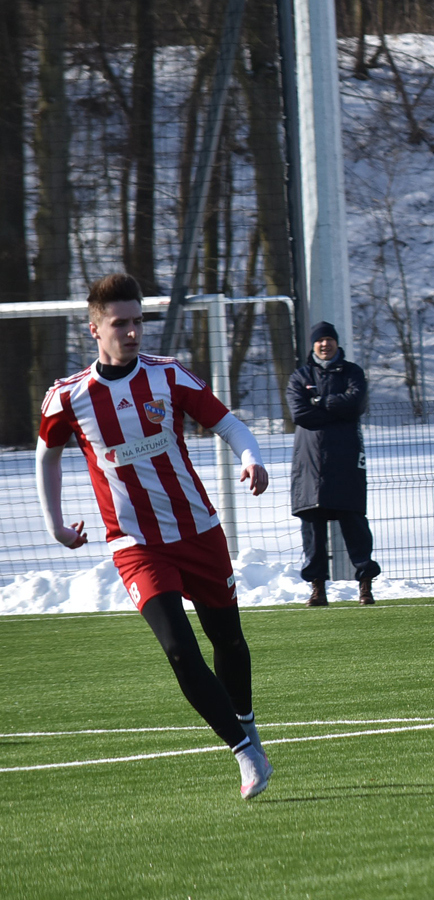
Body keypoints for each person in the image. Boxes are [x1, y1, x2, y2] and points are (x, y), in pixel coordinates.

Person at [35, 273, 274, 799]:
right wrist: (54, 523)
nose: (133, 332)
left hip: (198, 531)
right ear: (95, 329)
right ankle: (244, 753)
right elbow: (46, 452)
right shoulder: (68, 397)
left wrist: (251, 457)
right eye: (120, 323)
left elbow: (228, 424)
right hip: (134, 544)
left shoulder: (169, 378)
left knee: (228, 640)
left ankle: (247, 720)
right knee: (181, 652)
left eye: (138, 321)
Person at [288, 321, 380, 606]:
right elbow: (300, 414)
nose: (324, 345)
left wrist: (320, 401)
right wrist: (336, 409)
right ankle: (317, 589)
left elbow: (356, 404)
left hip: (346, 459)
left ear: (337, 343)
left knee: (354, 522)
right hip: (309, 463)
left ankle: (365, 585)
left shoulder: (353, 372)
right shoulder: (299, 376)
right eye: (319, 341)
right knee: (312, 529)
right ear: (312, 345)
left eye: (329, 340)